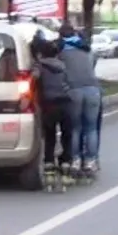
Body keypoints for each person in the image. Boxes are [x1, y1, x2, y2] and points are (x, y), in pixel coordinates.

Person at [57, 24, 102, 175]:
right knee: (91, 127)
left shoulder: (61, 51)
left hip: (74, 90)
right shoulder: (86, 49)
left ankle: (75, 160)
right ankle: (90, 161)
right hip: (93, 90)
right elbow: (93, 65)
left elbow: (60, 71)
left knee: (76, 128)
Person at [32, 41, 73, 183]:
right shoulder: (63, 66)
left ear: (41, 53)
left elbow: (33, 79)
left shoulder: (39, 66)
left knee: (50, 137)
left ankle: (49, 164)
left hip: (49, 105)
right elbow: (69, 83)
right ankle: (66, 163)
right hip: (65, 104)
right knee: (66, 136)